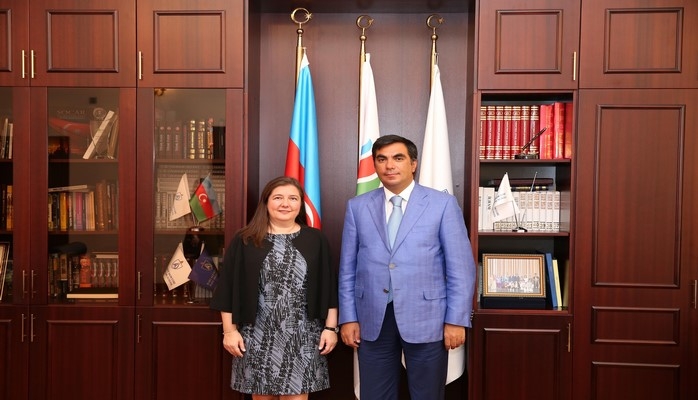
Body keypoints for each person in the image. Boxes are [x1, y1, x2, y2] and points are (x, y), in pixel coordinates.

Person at [338, 135, 476, 400]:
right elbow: (347, 269)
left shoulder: (442, 204)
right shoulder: (357, 207)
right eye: (382, 159)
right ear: (375, 165)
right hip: (372, 319)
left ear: (413, 164)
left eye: (398, 158)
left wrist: (456, 320)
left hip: (429, 319)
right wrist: (349, 317)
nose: (389, 165)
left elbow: (460, 268)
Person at [210, 176, 339, 400]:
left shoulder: (315, 239)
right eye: (278, 197)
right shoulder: (245, 239)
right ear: (266, 202)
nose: (285, 204)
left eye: (293, 198)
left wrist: (330, 328)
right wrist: (229, 332)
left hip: (303, 336)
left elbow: (329, 287)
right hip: (256, 335)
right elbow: (228, 288)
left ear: (300, 204)